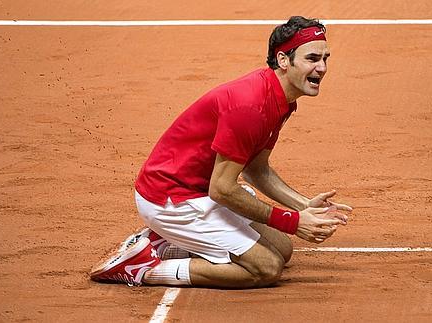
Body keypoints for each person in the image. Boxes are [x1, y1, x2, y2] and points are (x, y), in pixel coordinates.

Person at [90, 16, 353, 289]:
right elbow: (223, 189)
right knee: (267, 268)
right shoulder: (251, 107)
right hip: (171, 197)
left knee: (283, 250)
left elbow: (256, 169)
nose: (322, 68)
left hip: (198, 190)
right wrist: (292, 221)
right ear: (284, 60)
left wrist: (302, 205)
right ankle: (143, 268)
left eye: (325, 58)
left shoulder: (279, 99)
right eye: (312, 58)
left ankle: (165, 242)